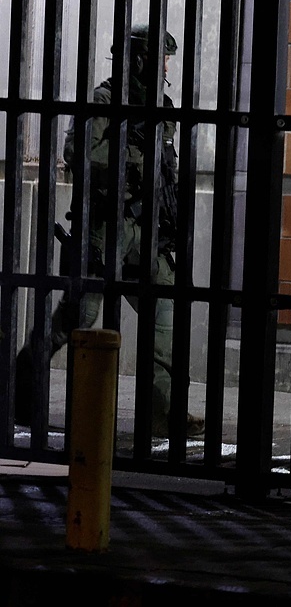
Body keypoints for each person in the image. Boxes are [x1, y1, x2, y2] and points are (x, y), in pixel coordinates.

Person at [14, 24, 205, 439]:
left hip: (147, 231)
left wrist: (172, 212)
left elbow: (167, 168)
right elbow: (79, 152)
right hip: (106, 228)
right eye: (161, 59)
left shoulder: (162, 107)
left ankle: (161, 415)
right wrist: (132, 162)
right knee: (75, 318)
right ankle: (18, 394)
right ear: (140, 60)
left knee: (166, 316)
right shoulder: (104, 100)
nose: (166, 67)